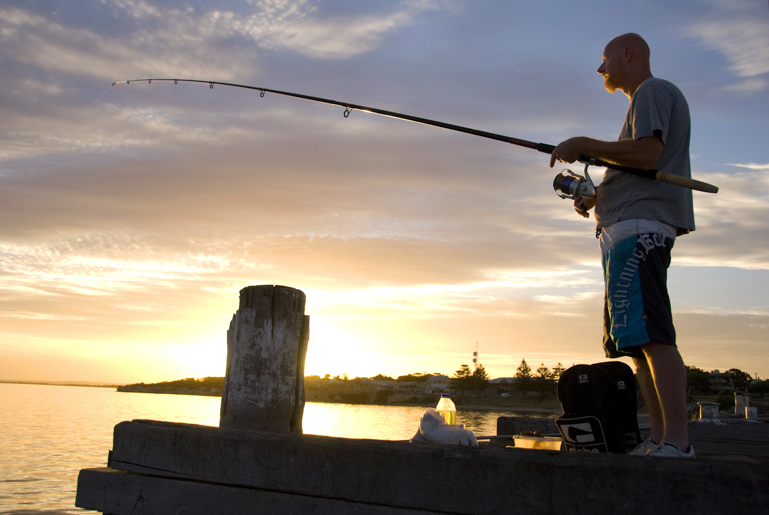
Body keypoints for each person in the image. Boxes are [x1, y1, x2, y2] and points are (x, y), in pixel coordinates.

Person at [549, 33, 695, 458]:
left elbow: (648, 153)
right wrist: (596, 196)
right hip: (620, 229)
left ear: (627, 54)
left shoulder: (653, 90)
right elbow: (636, 162)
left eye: (605, 58)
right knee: (634, 346)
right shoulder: (639, 104)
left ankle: (678, 443)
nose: (600, 69)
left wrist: (583, 145)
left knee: (653, 336)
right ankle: (659, 439)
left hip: (640, 229)